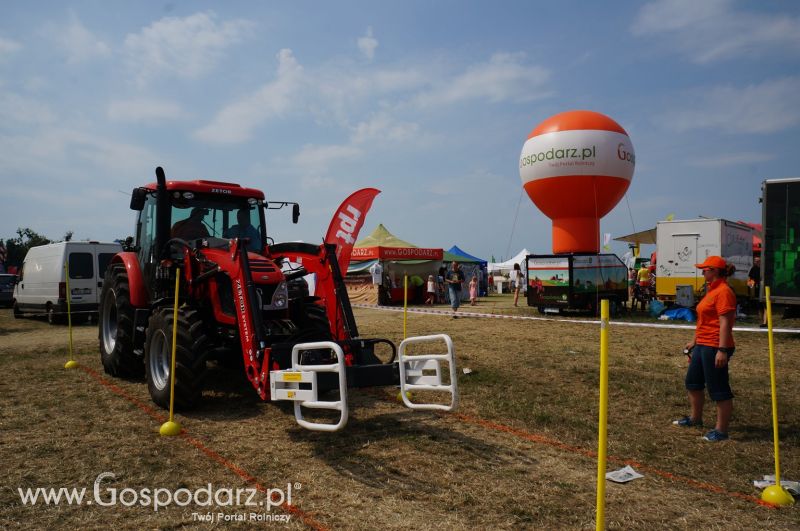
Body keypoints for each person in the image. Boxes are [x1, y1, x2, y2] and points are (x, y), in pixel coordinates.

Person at [673, 256, 737, 442]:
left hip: (715, 346)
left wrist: (722, 349)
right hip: (703, 344)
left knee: (718, 389)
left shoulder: (724, 292)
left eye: (705, 269)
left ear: (714, 271)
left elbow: (726, 323)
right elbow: (704, 321)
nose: (702, 272)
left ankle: (721, 431)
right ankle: (695, 419)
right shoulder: (711, 290)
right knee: (693, 383)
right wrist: (694, 341)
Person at [748, 256, 765, 327]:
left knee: (764, 306)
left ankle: (765, 322)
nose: (757, 262)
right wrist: (751, 288)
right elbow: (750, 278)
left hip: (764, 289)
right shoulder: (753, 269)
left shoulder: (763, 268)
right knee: (759, 306)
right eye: (756, 261)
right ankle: (762, 321)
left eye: (758, 261)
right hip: (756, 290)